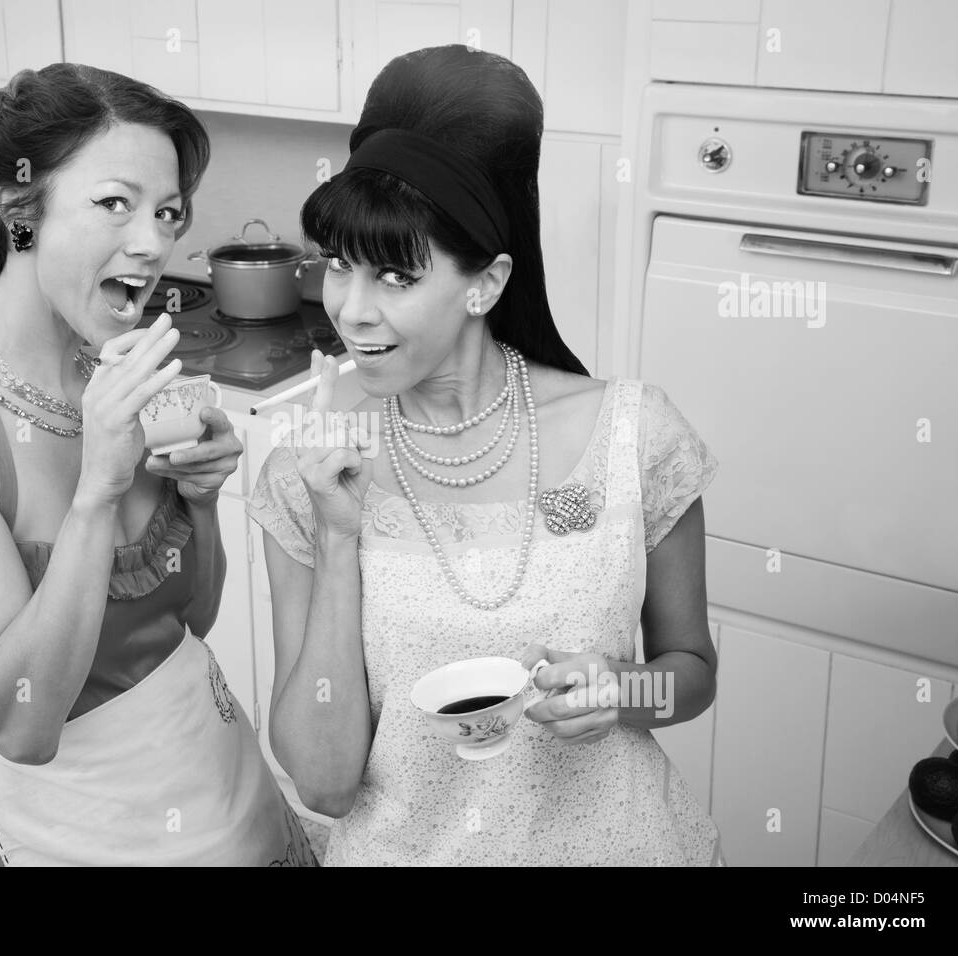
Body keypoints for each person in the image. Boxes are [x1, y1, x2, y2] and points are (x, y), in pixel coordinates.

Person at [247, 45, 723, 865]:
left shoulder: (634, 436)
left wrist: (623, 690)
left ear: (486, 283)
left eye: (395, 276)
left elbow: (691, 674)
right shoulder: (310, 472)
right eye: (337, 267)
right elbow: (323, 786)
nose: (351, 312)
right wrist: (337, 536)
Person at [0, 63, 315, 866]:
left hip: (223, 795)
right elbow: (23, 725)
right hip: (71, 837)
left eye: (168, 213)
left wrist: (201, 498)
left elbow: (187, 621)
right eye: (114, 203)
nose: (153, 243)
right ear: (20, 210)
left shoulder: (119, 374)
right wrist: (99, 492)